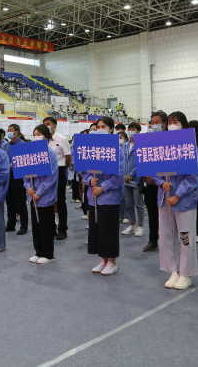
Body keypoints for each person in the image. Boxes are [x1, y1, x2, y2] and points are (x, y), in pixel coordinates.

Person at [156, 112, 198, 290]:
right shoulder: (160, 146)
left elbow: (192, 178)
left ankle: (186, 273)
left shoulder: (189, 148)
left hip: (183, 201)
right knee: (166, 237)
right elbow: (153, 171)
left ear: (183, 124)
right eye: (169, 122)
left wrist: (178, 194)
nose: (172, 125)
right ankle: (173, 270)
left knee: (185, 237)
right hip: (164, 200)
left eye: (176, 122)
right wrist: (161, 183)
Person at [85, 116, 124, 276]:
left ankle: (112, 261)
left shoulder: (117, 149)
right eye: (97, 127)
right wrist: (89, 180)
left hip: (109, 197)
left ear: (111, 129)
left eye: (103, 126)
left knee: (109, 230)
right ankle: (103, 259)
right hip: (93, 197)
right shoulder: (90, 150)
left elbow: (119, 175)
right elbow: (84, 171)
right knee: (97, 229)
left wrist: (103, 187)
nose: (99, 129)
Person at [24, 125, 59, 264]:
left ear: (46, 136)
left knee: (46, 225)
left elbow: (51, 177)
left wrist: (39, 192)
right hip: (32, 196)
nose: (36, 137)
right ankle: (38, 251)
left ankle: (48, 253)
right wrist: (28, 187)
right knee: (36, 225)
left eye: (38, 134)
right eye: (34, 134)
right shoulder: (30, 153)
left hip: (45, 196)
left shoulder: (51, 153)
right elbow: (25, 174)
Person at [142, 111, 166, 252]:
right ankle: (153, 240)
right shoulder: (147, 140)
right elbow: (143, 160)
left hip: (165, 184)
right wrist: (146, 175)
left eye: (157, 122)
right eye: (152, 122)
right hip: (150, 184)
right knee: (152, 213)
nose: (154, 125)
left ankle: (167, 239)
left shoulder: (171, 140)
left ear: (164, 123)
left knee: (166, 215)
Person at [43, 117, 71, 240]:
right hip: (46, 172)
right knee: (48, 201)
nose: (46, 126)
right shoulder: (42, 140)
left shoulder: (61, 139)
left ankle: (62, 229)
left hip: (59, 170)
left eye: (48, 124)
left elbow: (68, 156)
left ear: (55, 125)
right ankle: (51, 227)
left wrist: (64, 168)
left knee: (60, 201)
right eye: (44, 124)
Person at [4, 124, 29, 235]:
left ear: (17, 132)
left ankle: (24, 226)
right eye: (8, 130)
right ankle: (11, 224)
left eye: (11, 130)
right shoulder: (6, 145)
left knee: (21, 202)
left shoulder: (23, 145)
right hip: (8, 176)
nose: (9, 132)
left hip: (19, 176)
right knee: (9, 202)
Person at [122, 122, 144, 237]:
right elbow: (122, 161)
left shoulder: (141, 145)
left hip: (136, 179)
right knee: (128, 204)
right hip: (125, 179)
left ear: (138, 131)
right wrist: (123, 174)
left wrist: (131, 174)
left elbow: (141, 162)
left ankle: (140, 226)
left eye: (134, 129)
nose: (131, 131)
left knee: (138, 204)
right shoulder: (125, 145)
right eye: (130, 129)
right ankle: (132, 224)